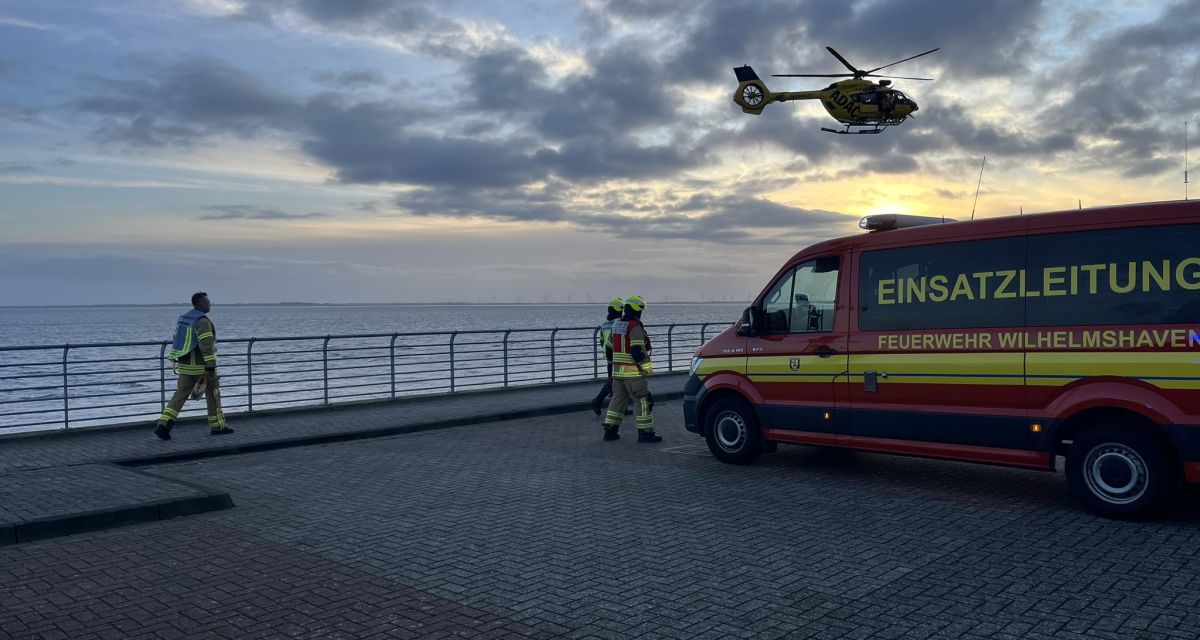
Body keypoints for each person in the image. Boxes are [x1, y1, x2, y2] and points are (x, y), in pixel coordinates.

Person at [154, 292, 231, 440]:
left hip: (185, 366)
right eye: (207, 302)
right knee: (213, 395)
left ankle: (163, 425)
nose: (209, 304)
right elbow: (206, 346)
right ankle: (218, 427)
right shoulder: (202, 321)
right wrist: (210, 366)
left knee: (179, 395)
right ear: (200, 304)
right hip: (201, 367)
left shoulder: (184, 318)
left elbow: (177, 339)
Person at [602, 295, 661, 442]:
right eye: (640, 310)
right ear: (636, 310)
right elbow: (637, 350)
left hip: (617, 373)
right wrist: (647, 369)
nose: (641, 313)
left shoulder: (617, 325)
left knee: (617, 401)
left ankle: (610, 431)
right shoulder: (634, 326)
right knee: (642, 401)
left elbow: (608, 349)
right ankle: (645, 433)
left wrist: (612, 367)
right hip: (633, 373)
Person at [591, 297, 623, 415]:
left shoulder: (604, 325)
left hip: (610, 358)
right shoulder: (619, 324)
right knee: (617, 382)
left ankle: (619, 407)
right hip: (619, 357)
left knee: (616, 382)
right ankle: (597, 401)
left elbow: (602, 341)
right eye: (622, 309)